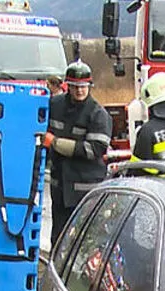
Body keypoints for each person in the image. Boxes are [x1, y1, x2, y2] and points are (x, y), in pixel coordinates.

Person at [45, 61, 111, 244]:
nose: (79, 90)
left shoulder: (98, 114)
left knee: (88, 239)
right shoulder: (55, 105)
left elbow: (95, 149)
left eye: (83, 86)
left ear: (89, 86)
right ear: (68, 86)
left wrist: (56, 143)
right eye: (75, 86)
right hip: (60, 186)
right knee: (59, 238)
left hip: (86, 188)